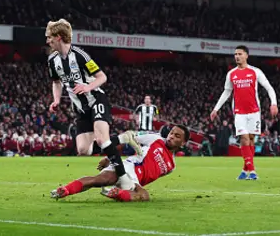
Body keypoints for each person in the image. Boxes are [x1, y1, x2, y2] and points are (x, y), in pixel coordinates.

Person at [46, 19, 141, 188]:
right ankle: (123, 138)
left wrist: (87, 86)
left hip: (96, 99)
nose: (47, 41)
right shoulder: (52, 60)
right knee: (83, 150)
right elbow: (56, 82)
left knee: (101, 139)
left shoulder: (81, 56)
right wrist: (56, 100)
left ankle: (124, 179)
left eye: (49, 37)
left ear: (59, 37)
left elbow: (102, 77)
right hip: (81, 109)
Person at [51, 125, 190, 202]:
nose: (171, 136)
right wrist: (110, 156)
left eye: (177, 136)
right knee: (99, 180)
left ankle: (117, 193)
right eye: (171, 133)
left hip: (134, 181)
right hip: (129, 167)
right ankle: (65, 190)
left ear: (183, 143)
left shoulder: (172, 166)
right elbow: (127, 139)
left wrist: (135, 187)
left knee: (144, 196)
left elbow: (150, 175)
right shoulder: (155, 139)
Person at [210, 45, 278, 180]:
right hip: (239, 112)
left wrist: (273, 103)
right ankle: (252, 171)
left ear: (246, 55)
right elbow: (226, 92)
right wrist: (216, 108)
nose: (237, 56)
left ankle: (244, 169)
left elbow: (269, 88)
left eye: (240, 54)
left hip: (254, 112)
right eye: (235, 54)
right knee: (244, 138)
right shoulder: (231, 74)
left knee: (251, 139)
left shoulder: (255, 71)